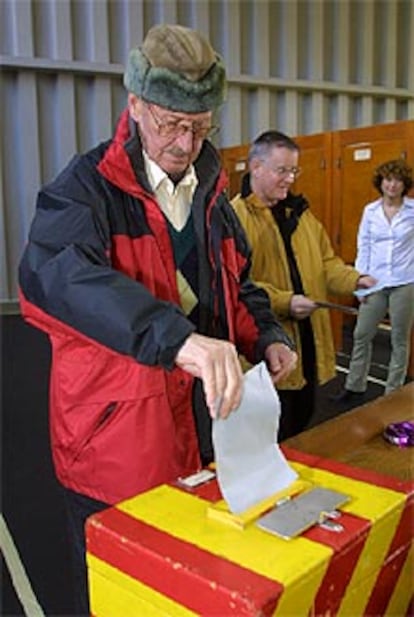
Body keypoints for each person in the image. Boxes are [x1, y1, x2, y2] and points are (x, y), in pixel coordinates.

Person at [18, 25, 297, 615]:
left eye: (200, 127)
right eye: (170, 122)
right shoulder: (85, 191)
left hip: (201, 438)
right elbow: (57, 280)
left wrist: (265, 335)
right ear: (136, 105)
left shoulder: (214, 197)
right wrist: (178, 341)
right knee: (111, 597)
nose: (184, 142)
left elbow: (235, 281)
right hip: (115, 447)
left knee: (182, 592)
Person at [231, 130, 376, 441]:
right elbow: (238, 285)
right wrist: (286, 301)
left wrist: (355, 280)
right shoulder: (235, 218)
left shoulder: (300, 214)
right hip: (268, 350)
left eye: (294, 170)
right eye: (282, 170)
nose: (289, 179)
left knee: (303, 421)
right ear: (255, 167)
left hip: (307, 342)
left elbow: (326, 263)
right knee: (270, 434)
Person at [334, 159, 414, 404]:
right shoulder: (370, 211)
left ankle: (392, 393)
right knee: (362, 333)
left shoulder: (413, 210)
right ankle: (354, 385)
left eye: (398, 180)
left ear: (404, 185)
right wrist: (359, 282)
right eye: (388, 179)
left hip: (405, 281)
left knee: (399, 339)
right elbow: (364, 247)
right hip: (374, 281)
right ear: (381, 182)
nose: (392, 185)